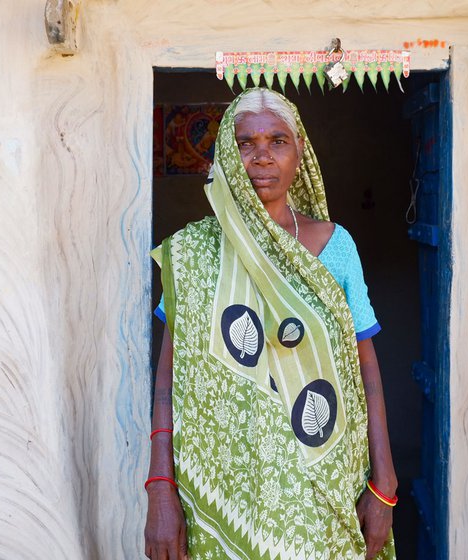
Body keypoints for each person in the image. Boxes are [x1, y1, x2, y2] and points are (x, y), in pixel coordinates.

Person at [145, 88, 397, 560]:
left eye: (278, 140)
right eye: (245, 143)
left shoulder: (335, 247)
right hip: (220, 491)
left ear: (299, 154)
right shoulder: (193, 253)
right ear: (225, 155)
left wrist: (384, 481)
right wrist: (161, 486)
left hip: (323, 484)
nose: (262, 156)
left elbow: (366, 366)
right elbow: (167, 377)